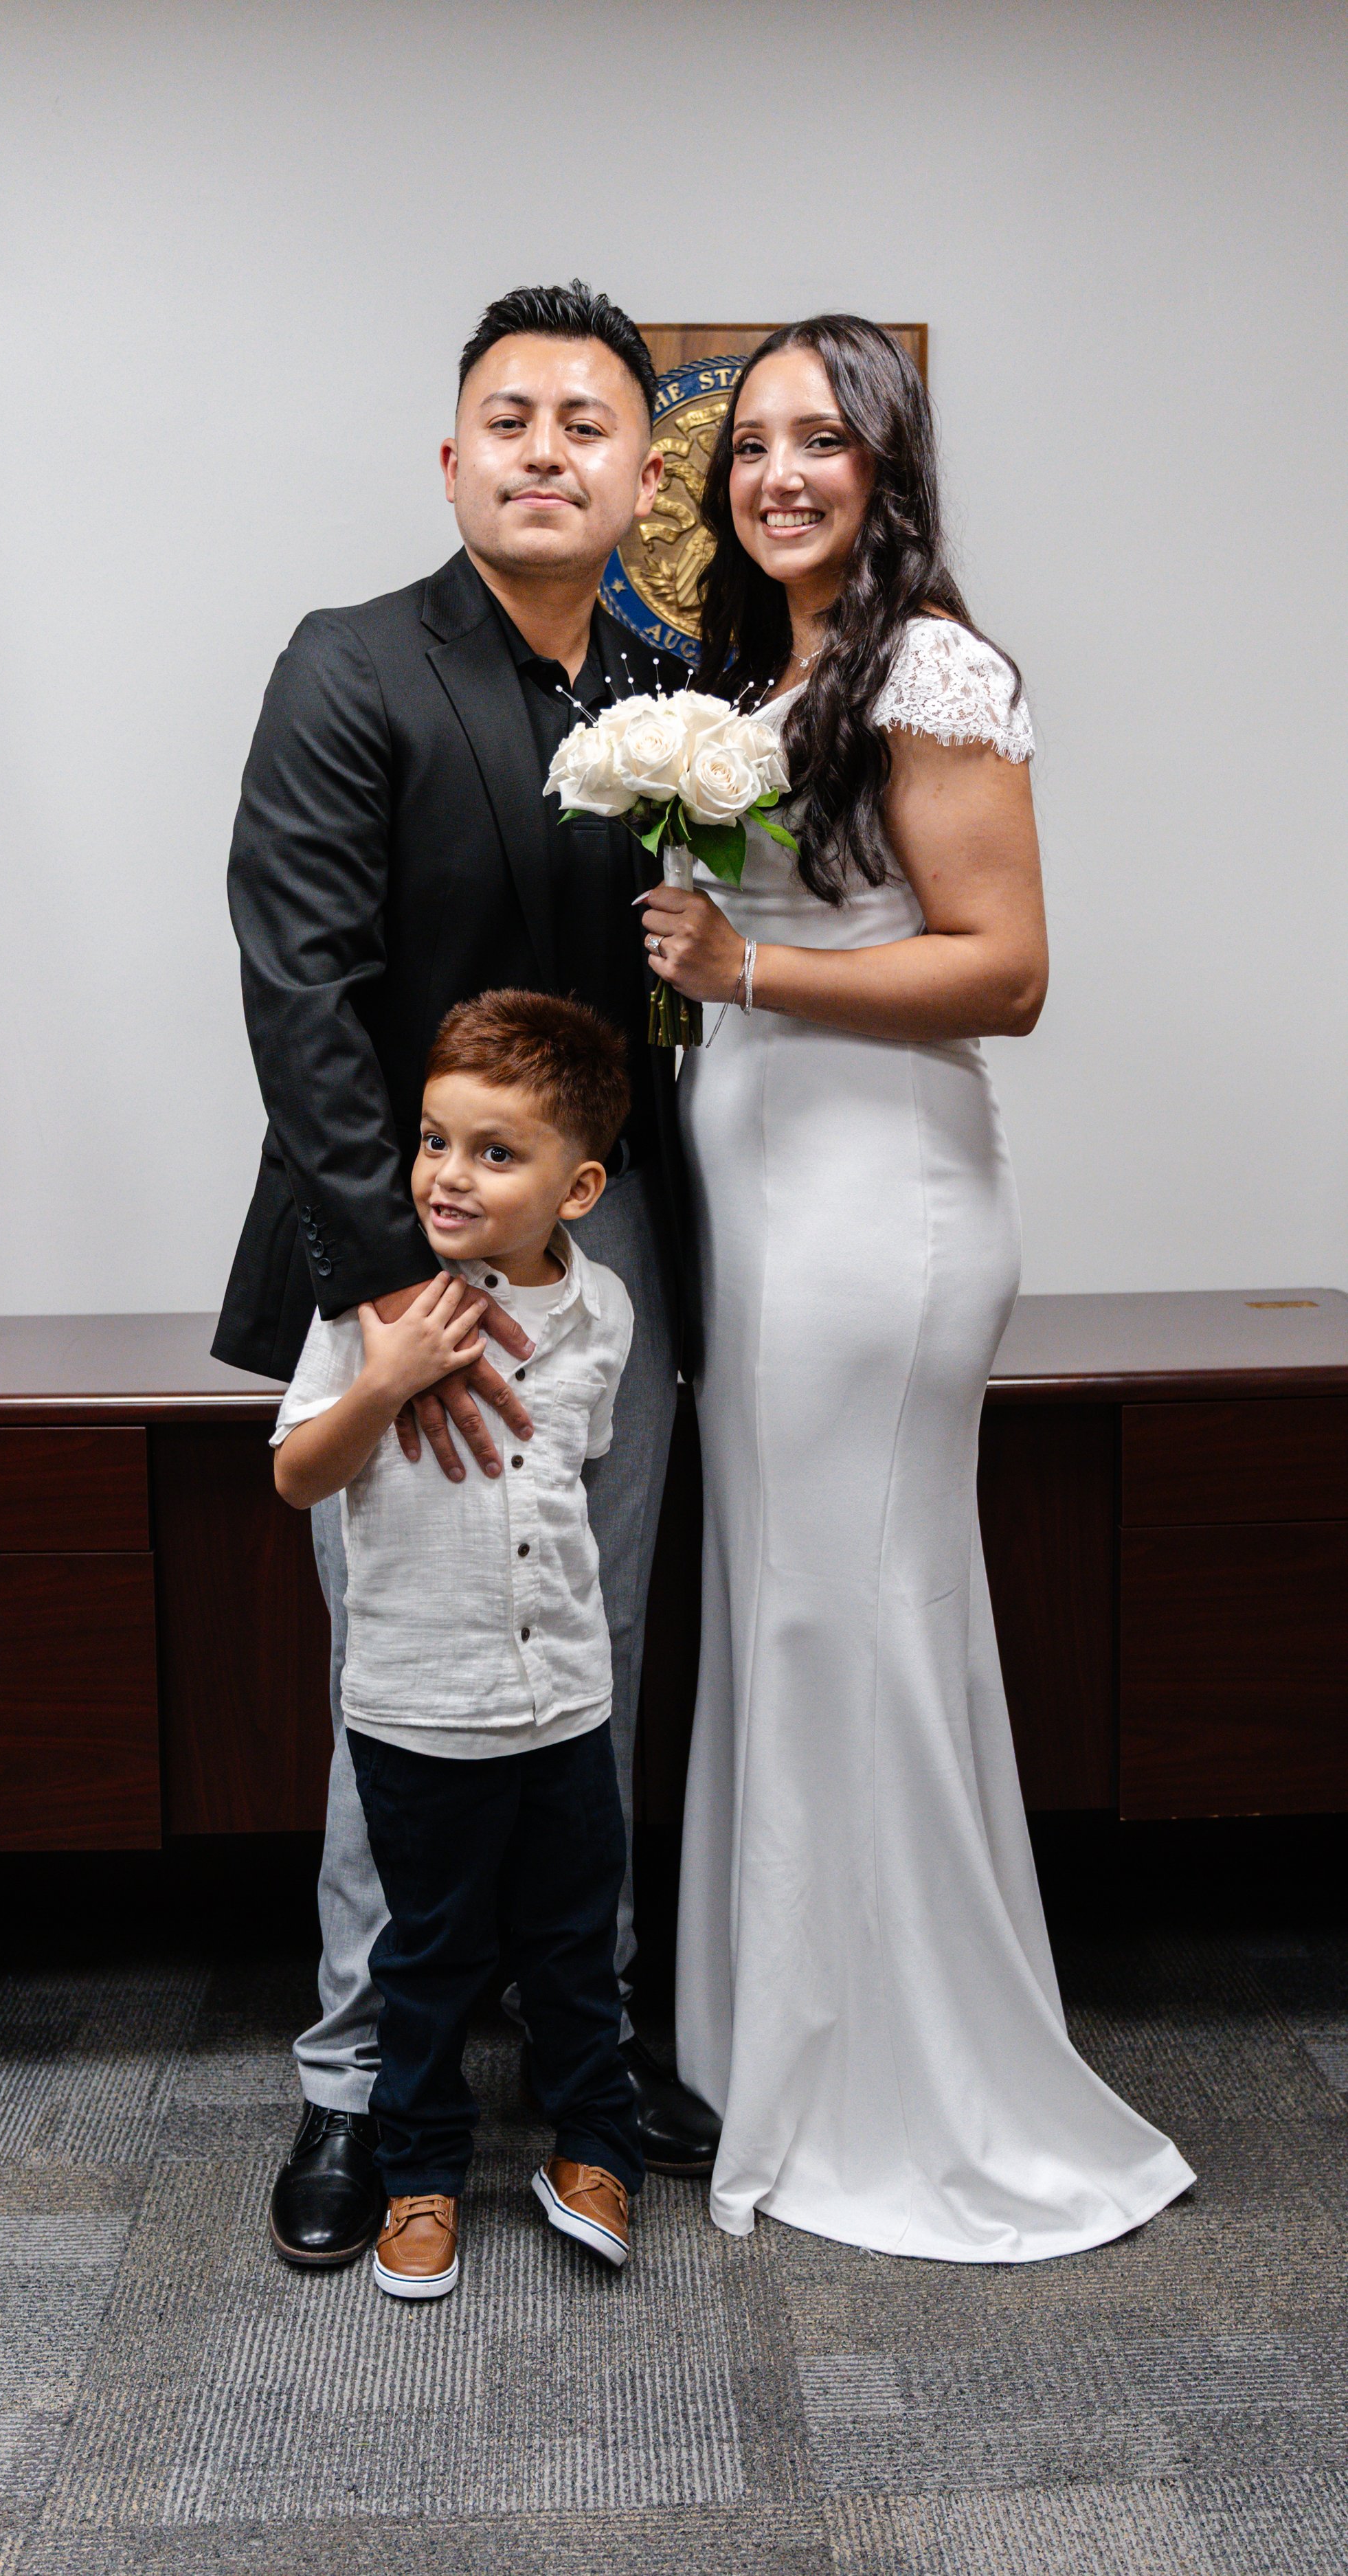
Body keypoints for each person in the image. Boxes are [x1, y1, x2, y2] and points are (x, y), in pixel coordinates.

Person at [640, 316, 1195, 2261]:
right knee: (792, 1613)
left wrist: (748, 972)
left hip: (875, 1201)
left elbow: (1005, 968)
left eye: (819, 439)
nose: (776, 473)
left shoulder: (929, 664)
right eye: (750, 444)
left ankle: (906, 2084)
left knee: (846, 1615)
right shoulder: (769, 675)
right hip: (759, 1193)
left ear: (884, 463)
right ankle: (780, 2039)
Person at [215, 281, 721, 2272]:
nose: (542, 450)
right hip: (398, 1244)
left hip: (616, 1248)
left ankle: (589, 2053)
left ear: (638, 476)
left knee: (594, 1649)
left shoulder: (682, 691)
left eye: (583, 424)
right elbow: (299, 989)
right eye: (507, 418)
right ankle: (355, 2080)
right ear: (452, 460)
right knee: (403, 1671)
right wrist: (383, 1297)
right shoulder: (349, 664)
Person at [270, 992, 645, 2298]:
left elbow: (575, 1472)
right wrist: (384, 1380)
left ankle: (595, 2147)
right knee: (425, 1961)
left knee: (573, 1946)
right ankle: (421, 2170)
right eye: (433, 1140)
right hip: (418, 1707)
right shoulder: (372, 1309)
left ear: (577, 1188)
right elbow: (296, 1476)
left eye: (494, 1152)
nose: (447, 1174)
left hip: (565, 1703)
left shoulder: (605, 1311)